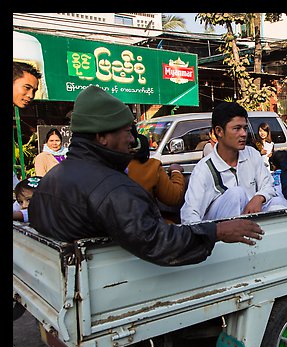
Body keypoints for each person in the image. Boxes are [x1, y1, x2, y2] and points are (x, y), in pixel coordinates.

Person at [28, 86, 264, 267]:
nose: (132, 139)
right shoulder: (113, 188)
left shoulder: (53, 177)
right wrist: (218, 231)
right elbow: (158, 241)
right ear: (101, 136)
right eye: (125, 131)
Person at [180, 102, 287, 224]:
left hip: (251, 221)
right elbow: (189, 215)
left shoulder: (252, 154)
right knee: (236, 194)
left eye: (245, 128)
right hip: (221, 231)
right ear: (219, 131)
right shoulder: (204, 169)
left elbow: (268, 185)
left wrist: (259, 197)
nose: (243, 134)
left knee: (279, 202)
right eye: (237, 128)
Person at [127, 133, 186, 220]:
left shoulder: (107, 166)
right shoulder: (151, 167)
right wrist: (176, 172)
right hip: (146, 224)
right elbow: (173, 197)